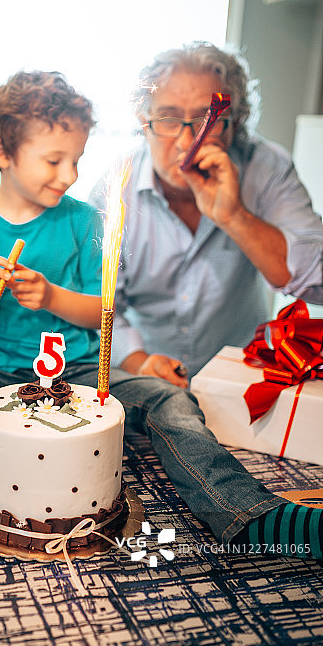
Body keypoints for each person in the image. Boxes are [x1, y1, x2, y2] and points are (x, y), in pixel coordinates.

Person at [0, 69, 323, 646]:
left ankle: (252, 516)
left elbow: (104, 311)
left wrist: (53, 298)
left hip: (85, 364)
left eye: (78, 161)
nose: (70, 177)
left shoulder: (82, 222)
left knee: (171, 401)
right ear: (1, 151)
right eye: (54, 161)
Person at [89, 42, 323, 387]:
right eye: (167, 118)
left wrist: (235, 216)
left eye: (205, 120)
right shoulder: (114, 190)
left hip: (243, 377)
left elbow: (318, 281)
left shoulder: (267, 168)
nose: (186, 142)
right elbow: (93, 301)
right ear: (144, 121)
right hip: (145, 379)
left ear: (235, 123)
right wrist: (138, 361)